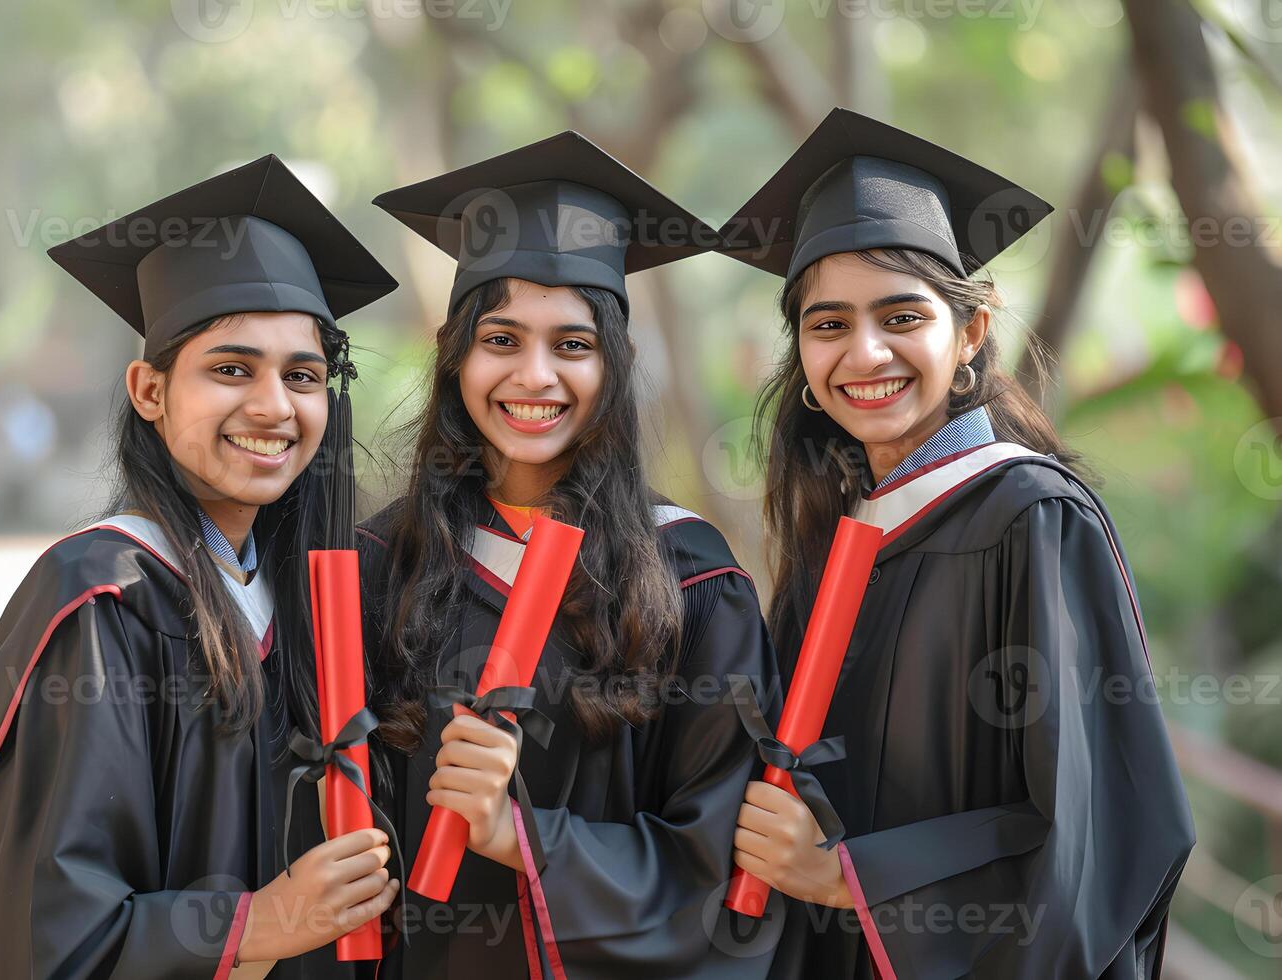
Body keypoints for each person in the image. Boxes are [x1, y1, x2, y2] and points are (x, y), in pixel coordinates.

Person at [717, 107, 1195, 979]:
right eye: (827, 325)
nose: (864, 353)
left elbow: (1093, 837)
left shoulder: (1032, 520)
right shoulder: (837, 540)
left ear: (970, 332)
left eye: (901, 317)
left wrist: (846, 879)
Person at [0, 156, 401, 980]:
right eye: (232, 369)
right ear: (149, 391)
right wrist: (258, 923)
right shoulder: (99, 601)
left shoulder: (315, 600)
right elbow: (40, 927)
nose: (273, 406)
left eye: (303, 376)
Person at [360, 131, 785, 978]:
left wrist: (523, 838)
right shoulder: (380, 563)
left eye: (574, 346)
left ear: (615, 363)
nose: (536, 376)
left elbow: (724, 867)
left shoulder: (693, 580)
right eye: (502, 339)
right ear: (454, 353)